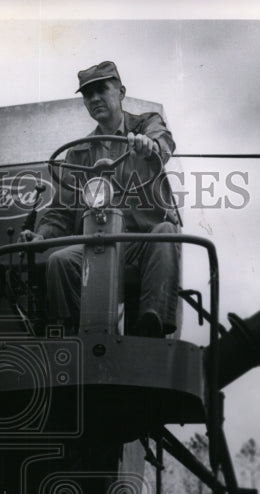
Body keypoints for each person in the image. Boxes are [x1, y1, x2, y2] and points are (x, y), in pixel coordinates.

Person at [25, 61, 180, 338]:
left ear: (120, 92)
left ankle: (151, 327)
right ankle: (77, 338)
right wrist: (41, 236)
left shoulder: (145, 125)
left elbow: (162, 141)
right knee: (60, 260)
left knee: (167, 231)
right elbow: (61, 211)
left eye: (101, 89)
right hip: (97, 243)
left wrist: (150, 147)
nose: (94, 98)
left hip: (142, 241)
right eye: (87, 94)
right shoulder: (79, 153)